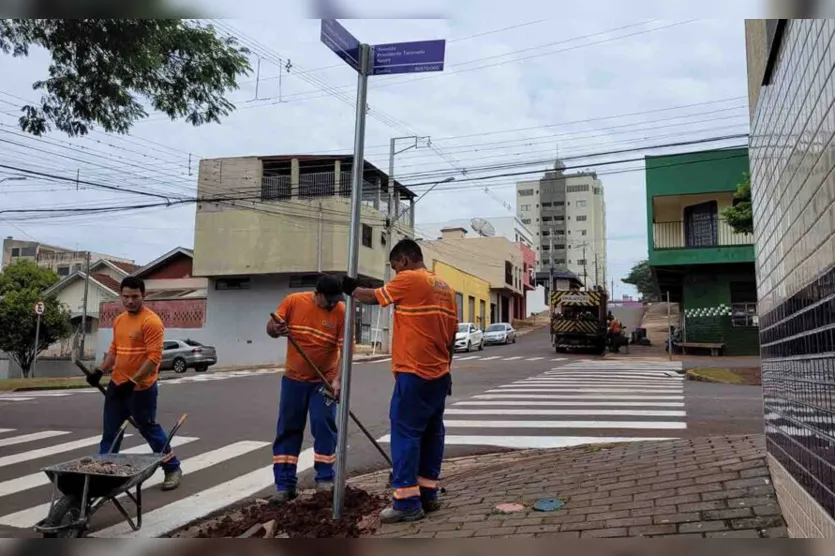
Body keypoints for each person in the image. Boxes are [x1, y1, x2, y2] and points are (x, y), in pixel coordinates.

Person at [343, 239, 458, 524]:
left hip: (414, 373)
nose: (395, 274)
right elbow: (451, 336)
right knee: (432, 433)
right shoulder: (446, 288)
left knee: (406, 434)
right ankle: (427, 494)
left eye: (394, 267)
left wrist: (347, 287)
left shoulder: (410, 279)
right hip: (439, 374)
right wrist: (447, 368)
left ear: (404, 261)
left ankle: (406, 502)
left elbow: (372, 296)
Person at [86, 276, 182, 491]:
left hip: (141, 388)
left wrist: (134, 381)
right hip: (117, 385)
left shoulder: (151, 321)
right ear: (121, 295)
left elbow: (153, 359)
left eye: (135, 297)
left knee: (148, 429)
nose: (130, 301)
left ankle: (172, 467)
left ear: (143, 296)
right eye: (126, 297)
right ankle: (103, 474)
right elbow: (114, 351)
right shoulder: (119, 320)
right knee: (111, 433)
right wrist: (100, 370)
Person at [266, 275, 346, 505]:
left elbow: (345, 350)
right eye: (328, 300)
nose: (332, 305)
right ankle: (285, 485)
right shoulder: (293, 301)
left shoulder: (341, 312)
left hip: (324, 382)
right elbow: (271, 328)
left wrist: (337, 380)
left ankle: (324, 479)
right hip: (294, 380)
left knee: (324, 427)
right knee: (289, 429)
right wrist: (276, 328)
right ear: (317, 294)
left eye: (335, 300)